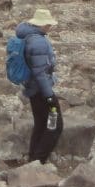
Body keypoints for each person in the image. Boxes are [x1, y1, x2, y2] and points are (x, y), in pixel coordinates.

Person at [15, 8, 63, 164]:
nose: (50, 26)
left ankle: (33, 157)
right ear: (42, 25)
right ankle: (39, 159)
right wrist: (49, 96)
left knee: (41, 123)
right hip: (42, 92)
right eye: (48, 24)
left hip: (32, 90)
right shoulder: (38, 42)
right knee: (55, 125)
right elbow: (41, 73)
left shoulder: (28, 37)